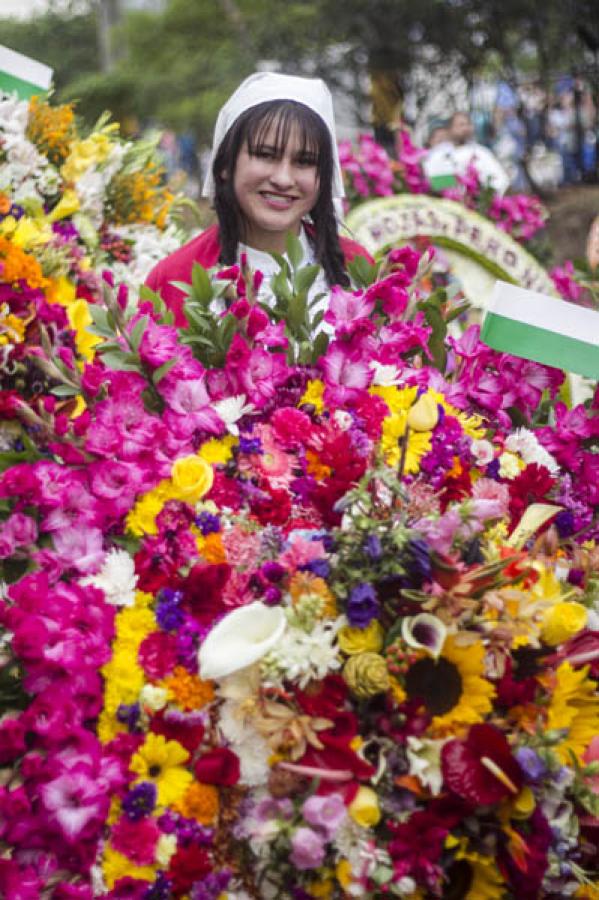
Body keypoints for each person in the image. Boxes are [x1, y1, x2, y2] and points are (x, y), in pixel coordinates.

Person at [146, 72, 372, 327]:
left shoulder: (355, 267)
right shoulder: (175, 278)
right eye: (266, 155)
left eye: (305, 162)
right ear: (225, 165)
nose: (284, 179)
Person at [422, 110, 510, 195]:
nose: (465, 128)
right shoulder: (438, 153)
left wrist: (477, 189)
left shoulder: (481, 153)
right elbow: (428, 179)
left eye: (468, 124)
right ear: (450, 129)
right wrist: (455, 180)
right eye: (461, 125)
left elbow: (500, 180)